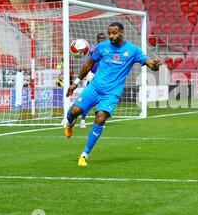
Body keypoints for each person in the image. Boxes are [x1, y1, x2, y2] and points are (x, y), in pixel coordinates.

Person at [65, 22, 162, 166]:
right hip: (94, 88)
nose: (111, 36)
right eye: (109, 33)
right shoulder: (102, 47)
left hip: (111, 93)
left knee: (100, 118)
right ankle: (70, 122)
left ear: (122, 32)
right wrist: (76, 82)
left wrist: (154, 65)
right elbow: (88, 64)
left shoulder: (133, 50)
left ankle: (84, 155)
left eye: (114, 33)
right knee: (75, 111)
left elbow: (149, 63)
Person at [79, 32, 107, 128]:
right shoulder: (94, 49)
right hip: (92, 76)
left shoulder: (107, 50)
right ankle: (82, 120)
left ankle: (98, 121)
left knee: (102, 100)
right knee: (89, 99)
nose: (102, 40)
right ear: (97, 40)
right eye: (100, 38)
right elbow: (89, 62)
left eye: (104, 38)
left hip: (102, 78)